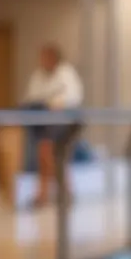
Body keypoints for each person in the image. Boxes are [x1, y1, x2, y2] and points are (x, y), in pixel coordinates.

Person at [21, 43, 84, 207]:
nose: (42, 61)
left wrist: (54, 103)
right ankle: (47, 195)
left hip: (64, 122)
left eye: (46, 57)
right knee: (44, 156)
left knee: (56, 157)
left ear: (54, 58)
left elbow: (72, 97)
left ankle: (61, 194)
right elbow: (32, 97)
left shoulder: (66, 72)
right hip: (44, 122)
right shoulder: (38, 75)